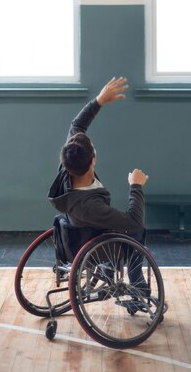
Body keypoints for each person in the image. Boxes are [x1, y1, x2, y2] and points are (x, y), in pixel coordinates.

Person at [48, 76, 149, 289]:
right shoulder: (91, 206)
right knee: (137, 232)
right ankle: (138, 285)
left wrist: (99, 100)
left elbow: (77, 125)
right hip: (95, 244)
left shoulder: (67, 166)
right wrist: (136, 186)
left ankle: (111, 271)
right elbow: (135, 221)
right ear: (93, 160)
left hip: (77, 234)